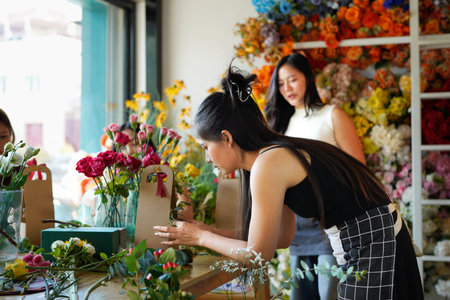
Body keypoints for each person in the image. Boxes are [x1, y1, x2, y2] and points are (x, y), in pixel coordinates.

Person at [154, 64, 424, 300]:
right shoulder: (271, 156)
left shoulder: (268, 163)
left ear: (226, 138)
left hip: (373, 239)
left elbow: (257, 253)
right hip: (370, 236)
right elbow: (282, 238)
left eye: (205, 147)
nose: (207, 158)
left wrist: (201, 237)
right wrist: (208, 231)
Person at [265, 53, 365, 300]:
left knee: (330, 294)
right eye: (280, 83)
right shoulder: (281, 124)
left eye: (293, 79)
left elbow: (359, 170)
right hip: (296, 229)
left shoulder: (332, 115)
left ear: (308, 78)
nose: (286, 87)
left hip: (330, 225)